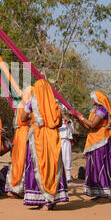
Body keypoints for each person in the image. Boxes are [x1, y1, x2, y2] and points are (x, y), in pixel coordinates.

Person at [21, 79, 69, 210]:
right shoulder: (55, 105)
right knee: (52, 165)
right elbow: (58, 123)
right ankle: (50, 200)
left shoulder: (31, 103)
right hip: (52, 137)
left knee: (38, 165)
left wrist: (34, 118)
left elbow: (22, 119)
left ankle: (42, 199)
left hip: (38, 137)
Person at [75, 90, 111, 200]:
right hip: (94, 141)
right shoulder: (95, 110)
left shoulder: (102, 110)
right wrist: (79, 120)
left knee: (100, 166)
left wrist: (81, 118)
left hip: (100, 141)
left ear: (98, 100)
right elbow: (89, 127)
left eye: (93, 98)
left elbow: (93, 124)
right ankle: (98, 192)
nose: (91, 100)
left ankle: (104, 193)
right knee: (94, 167)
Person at [5, 86, 33, 197]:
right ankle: (18, 188)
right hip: (24, 133)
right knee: (23, 159)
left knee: (17, 159)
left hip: (19, 133)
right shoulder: (27, 105)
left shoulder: (20, 104)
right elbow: (24, 120)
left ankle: (14, 187)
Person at [59, 106, 75, 183]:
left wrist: (68, 123)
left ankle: (68, 177)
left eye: (64, 110)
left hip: (67, 140)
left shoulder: (70, 121)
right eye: (62, 110)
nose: (63, 111)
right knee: (58, 158)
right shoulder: (57, 120)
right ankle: (59, 176)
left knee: (67, 158)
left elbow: (72, 131)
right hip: (59, 140)